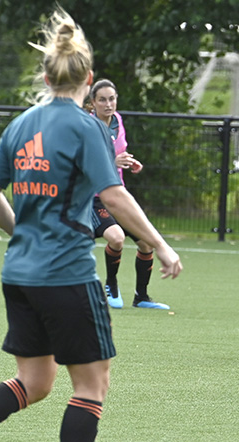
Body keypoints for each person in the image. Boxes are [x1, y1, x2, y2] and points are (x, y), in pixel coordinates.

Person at [0, 9, 182, 442]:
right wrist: (159, 243)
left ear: (45, 76)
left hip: (19, 272)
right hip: (66, 274)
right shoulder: (89, 129)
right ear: (86, 78)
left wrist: (22, 233)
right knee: (91, 387)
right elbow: (115, 194)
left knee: (36, 382)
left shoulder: (21, 125)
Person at [88, 78, 169, 310]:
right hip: (95, 198)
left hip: (118, 194)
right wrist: (113, 162)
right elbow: (85, 163)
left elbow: (117, 154)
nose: (108, 104)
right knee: (116, 237)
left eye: (112, 99)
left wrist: (128, 163)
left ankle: (141, 297)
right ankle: (110, 286)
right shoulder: (87, 126)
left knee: (146, 242)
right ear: (93, 102)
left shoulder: (118, 121)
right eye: (102, 99)